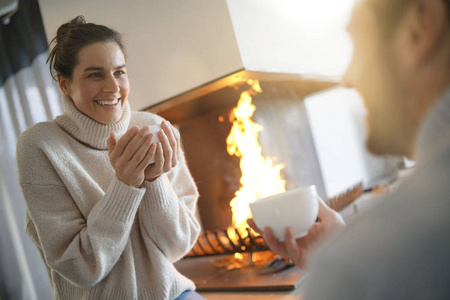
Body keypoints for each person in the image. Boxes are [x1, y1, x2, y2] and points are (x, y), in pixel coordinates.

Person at [249, 0, 450, 298]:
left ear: (418, 28)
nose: (348, 78)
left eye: (359, 42)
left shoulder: (352, 272)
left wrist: (346, 260)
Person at [16, 16, 205, 300]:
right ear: (64, 84)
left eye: (119, 72)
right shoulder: (41, 146)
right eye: (95, 74)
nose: (113, 87)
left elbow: (178, 246)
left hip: (173, 294)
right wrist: (126, 186)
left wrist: (154, 181)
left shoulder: (152, 127)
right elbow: (82, 267)